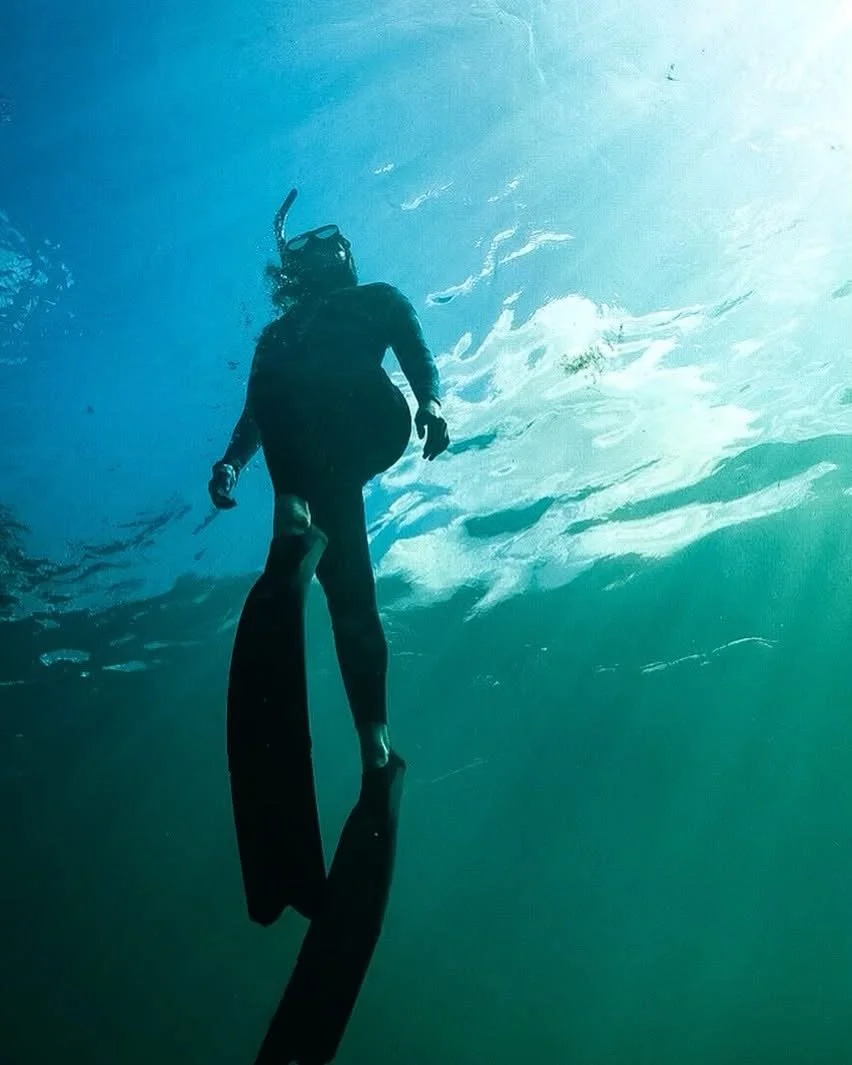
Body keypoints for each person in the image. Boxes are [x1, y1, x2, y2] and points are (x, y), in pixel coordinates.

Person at [209, 189, 449, 1065]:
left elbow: (417, 353)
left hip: (358, 428)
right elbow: (256, 413)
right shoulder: (279, 339)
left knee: (353, 599)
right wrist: (232, 460)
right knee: (354, 600)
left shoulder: (373, 301)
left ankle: (375, 741)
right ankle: (295, 527)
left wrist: (431, 405)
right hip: (309, 456)